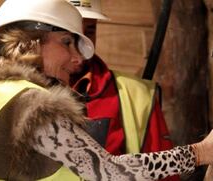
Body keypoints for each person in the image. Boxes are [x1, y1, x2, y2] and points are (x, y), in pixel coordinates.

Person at [0, 0, 213, 180]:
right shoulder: (31, 104)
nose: (77, 58)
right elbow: (109, 173)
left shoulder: (7, 95)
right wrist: (199, 153)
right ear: (30, 41)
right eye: (67, 43)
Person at [65, 2, 180, 180]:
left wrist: (200, 153)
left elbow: (164, 173)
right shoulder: (24, 93)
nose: (80, 50)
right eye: (68, 37)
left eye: (89, 32)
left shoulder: (137, 95)